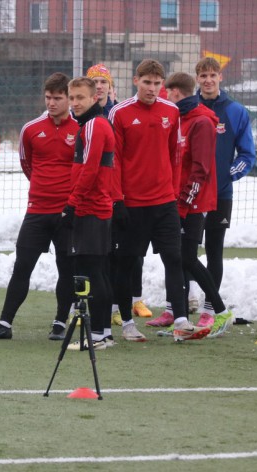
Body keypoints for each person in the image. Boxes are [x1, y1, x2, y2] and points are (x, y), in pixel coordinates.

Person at [108, 59, 209, 342]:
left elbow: (175, 157)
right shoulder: (120, 113)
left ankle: (180, 319)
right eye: (147, 82)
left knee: (174, 258)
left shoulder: (171, 111)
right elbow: (114, 161)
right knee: (127, 262)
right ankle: (127, 323)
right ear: (135, 80)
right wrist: (118, 200)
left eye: (156, 83)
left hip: (164, 202)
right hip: (133, 204)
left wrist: (175, 197)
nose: (152, 88)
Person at [0, 73, 77, 341]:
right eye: (48, 98)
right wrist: (44, 188)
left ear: (69, 99)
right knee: (22, 266)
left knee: (65, 268)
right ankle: (4, 323)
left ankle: (59, 322)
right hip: (37, 210)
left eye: (58, 98)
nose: (52, 103)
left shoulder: (80, 129)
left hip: (67, 212)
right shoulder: (31, 129)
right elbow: (27, 164)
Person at [163, 72, 234, 337]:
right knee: (178, 259)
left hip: (194, 202)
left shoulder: (202, 122)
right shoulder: (179, 118)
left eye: (168, 92)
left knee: (187, 258)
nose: (166, 97)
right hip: (178, 200)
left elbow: (201, 169)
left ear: (177, 92)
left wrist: (183, 203)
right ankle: (181, 321)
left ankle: (221, 311)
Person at [86, 63, 153, 324]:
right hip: (95, 195)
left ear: (111, 87)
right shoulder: (82, 113)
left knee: (130, 253)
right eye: (96, 81)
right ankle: (92, 306)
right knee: (98, 253)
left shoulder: (117, 112)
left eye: (104, 82)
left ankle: (133, 300)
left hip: (121, 193)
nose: (100, 86)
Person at [195, 57, 256, 324]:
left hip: (220, 195)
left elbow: (246, 154)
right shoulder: (187, 108)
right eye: (203, 75)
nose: (208, 80)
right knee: (183, 252)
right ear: (197, 79)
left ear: (220, 77)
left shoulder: (236, 111)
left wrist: (226, 177)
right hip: (191, 194)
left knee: (214, 251)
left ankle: (209, 309)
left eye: (212, 75)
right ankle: (177, 307)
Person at [61, 76, 116, 350]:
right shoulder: (92, 124)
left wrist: (72, 203)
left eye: (80, 98)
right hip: (95, 207)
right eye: (71, 98)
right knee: (99, 271)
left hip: (91, 209)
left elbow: (90, 169)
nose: (74, 103)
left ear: (95, 97)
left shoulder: (95, 125)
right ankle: (103, 332)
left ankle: (97, 335)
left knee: (93, 273)